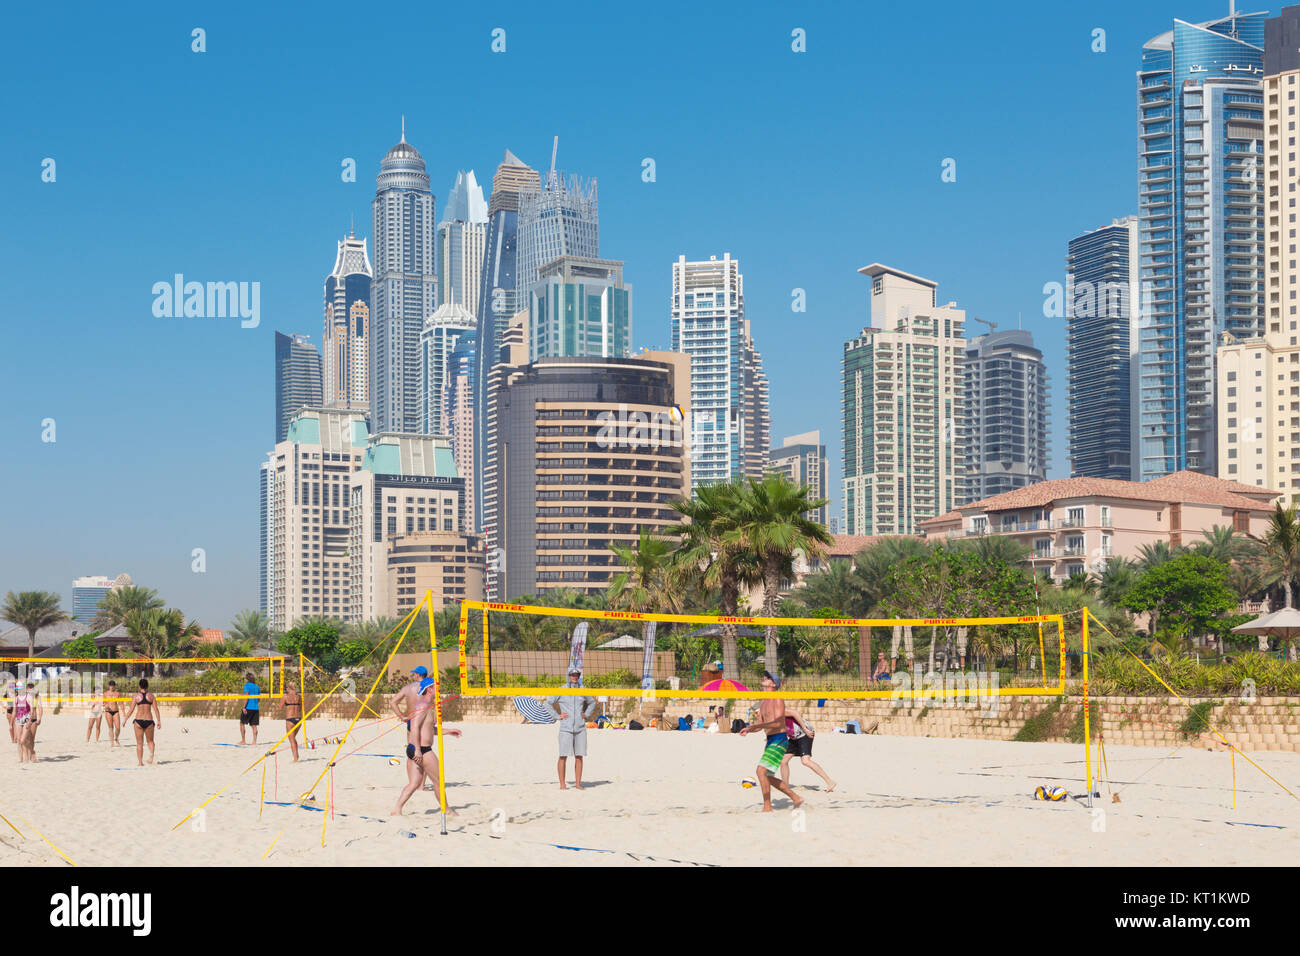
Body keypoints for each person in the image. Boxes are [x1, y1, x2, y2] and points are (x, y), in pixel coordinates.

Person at [390, 677, 461, 816]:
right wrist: (417, 749)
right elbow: (415, 727)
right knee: (439, 781)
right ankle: (447, 810)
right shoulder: (423, 705)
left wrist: (448, 731)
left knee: (414, 783)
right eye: (437, 688)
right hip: (421, 750)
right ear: (429, 689)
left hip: (416, 748)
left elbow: (428, 729)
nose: (439, 690)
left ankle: (396, 809)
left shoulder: (428, 705)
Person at [738, 671, 803, 812]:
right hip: (770, 740)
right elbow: (760, 724)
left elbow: (778, 723)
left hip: (779, 739)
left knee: (760, 771)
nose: (765, 678)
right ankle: (796, 798)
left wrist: (757, 726)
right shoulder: (762, 702)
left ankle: (767, 807)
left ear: (773, 684)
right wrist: (749, 729)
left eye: (768, 678)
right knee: (767, 776)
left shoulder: (777, 698)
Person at [546, 668, 598, 790]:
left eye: (577, 675)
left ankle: (578, 784)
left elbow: (592, 703)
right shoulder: (561, 690)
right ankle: (562, 784)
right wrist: (557, 716)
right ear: (568, 676)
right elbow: (547, 703)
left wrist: (586, 714)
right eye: (572, 675)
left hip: (580, 728)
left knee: (579, 756)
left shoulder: (583, 689)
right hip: (566, 728)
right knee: (563, 755)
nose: (575, 677)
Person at [779, 706, 836, 793]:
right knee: (783, 761)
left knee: (805, 761)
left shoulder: (779, 710)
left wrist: (805, 728)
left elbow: (795, 712)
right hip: (794, 737)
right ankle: (786, 786)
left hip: (805, 733)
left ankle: (830, 782)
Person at [120, 678, 160, 767]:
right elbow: (156, 709)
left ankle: (140, 762)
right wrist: (159, 721)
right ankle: (151, 757)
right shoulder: (151, 696)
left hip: (138, 721)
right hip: (149, 721)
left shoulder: (136, 696)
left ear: (139, 686)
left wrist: (125, 719)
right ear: (147, 686)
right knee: (150, 741)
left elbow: (131, 710)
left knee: (139, 743)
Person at [13, 681, 41, 763]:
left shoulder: (30, 697)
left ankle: (30, 754)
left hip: (28, 720)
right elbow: (15, 711)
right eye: (17, 689)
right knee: (19, 740)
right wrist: (11, 723)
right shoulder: (16, 698)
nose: (18, 690)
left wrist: (31, 721)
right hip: (18, 720)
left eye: (20, 689)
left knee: (25, 740)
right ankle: (21, 759)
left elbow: (33, 710)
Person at [282, 680, 304, 762]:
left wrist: (287, 705)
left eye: (286, 687)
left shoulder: (285, 696)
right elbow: (300, 708)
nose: (286, 689)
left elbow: (280, 707)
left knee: (291, 740)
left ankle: (295, 758)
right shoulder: (299, 696)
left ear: (289, 688)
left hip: (290, 719)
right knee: (293, 739)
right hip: (298, 719)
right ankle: (297, 756)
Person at [239, 672, 260, 745]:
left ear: (247, 679)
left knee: (242, 723)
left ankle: (243, 741)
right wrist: (255, 704)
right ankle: (254, 742)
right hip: (256, 708)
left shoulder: (247, 685)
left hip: (248, 707)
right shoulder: (257, 687)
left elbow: (246, 697)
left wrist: (244, 707)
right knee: (254, 726)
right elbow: (259, 699)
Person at [103, 680, 123, 747]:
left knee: (118, 728)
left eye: (113, 686)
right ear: (109, 686)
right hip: (108, 711)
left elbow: (120, 703)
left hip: (116, 711)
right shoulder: (105, 694)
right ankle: (112, 742)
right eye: (110, 686)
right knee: (111, 728)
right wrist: (105, 705)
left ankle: (116, 738)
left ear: (114, 686)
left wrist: (124, 712)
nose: (111, 687)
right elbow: (103, 702)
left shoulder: (117, 693)